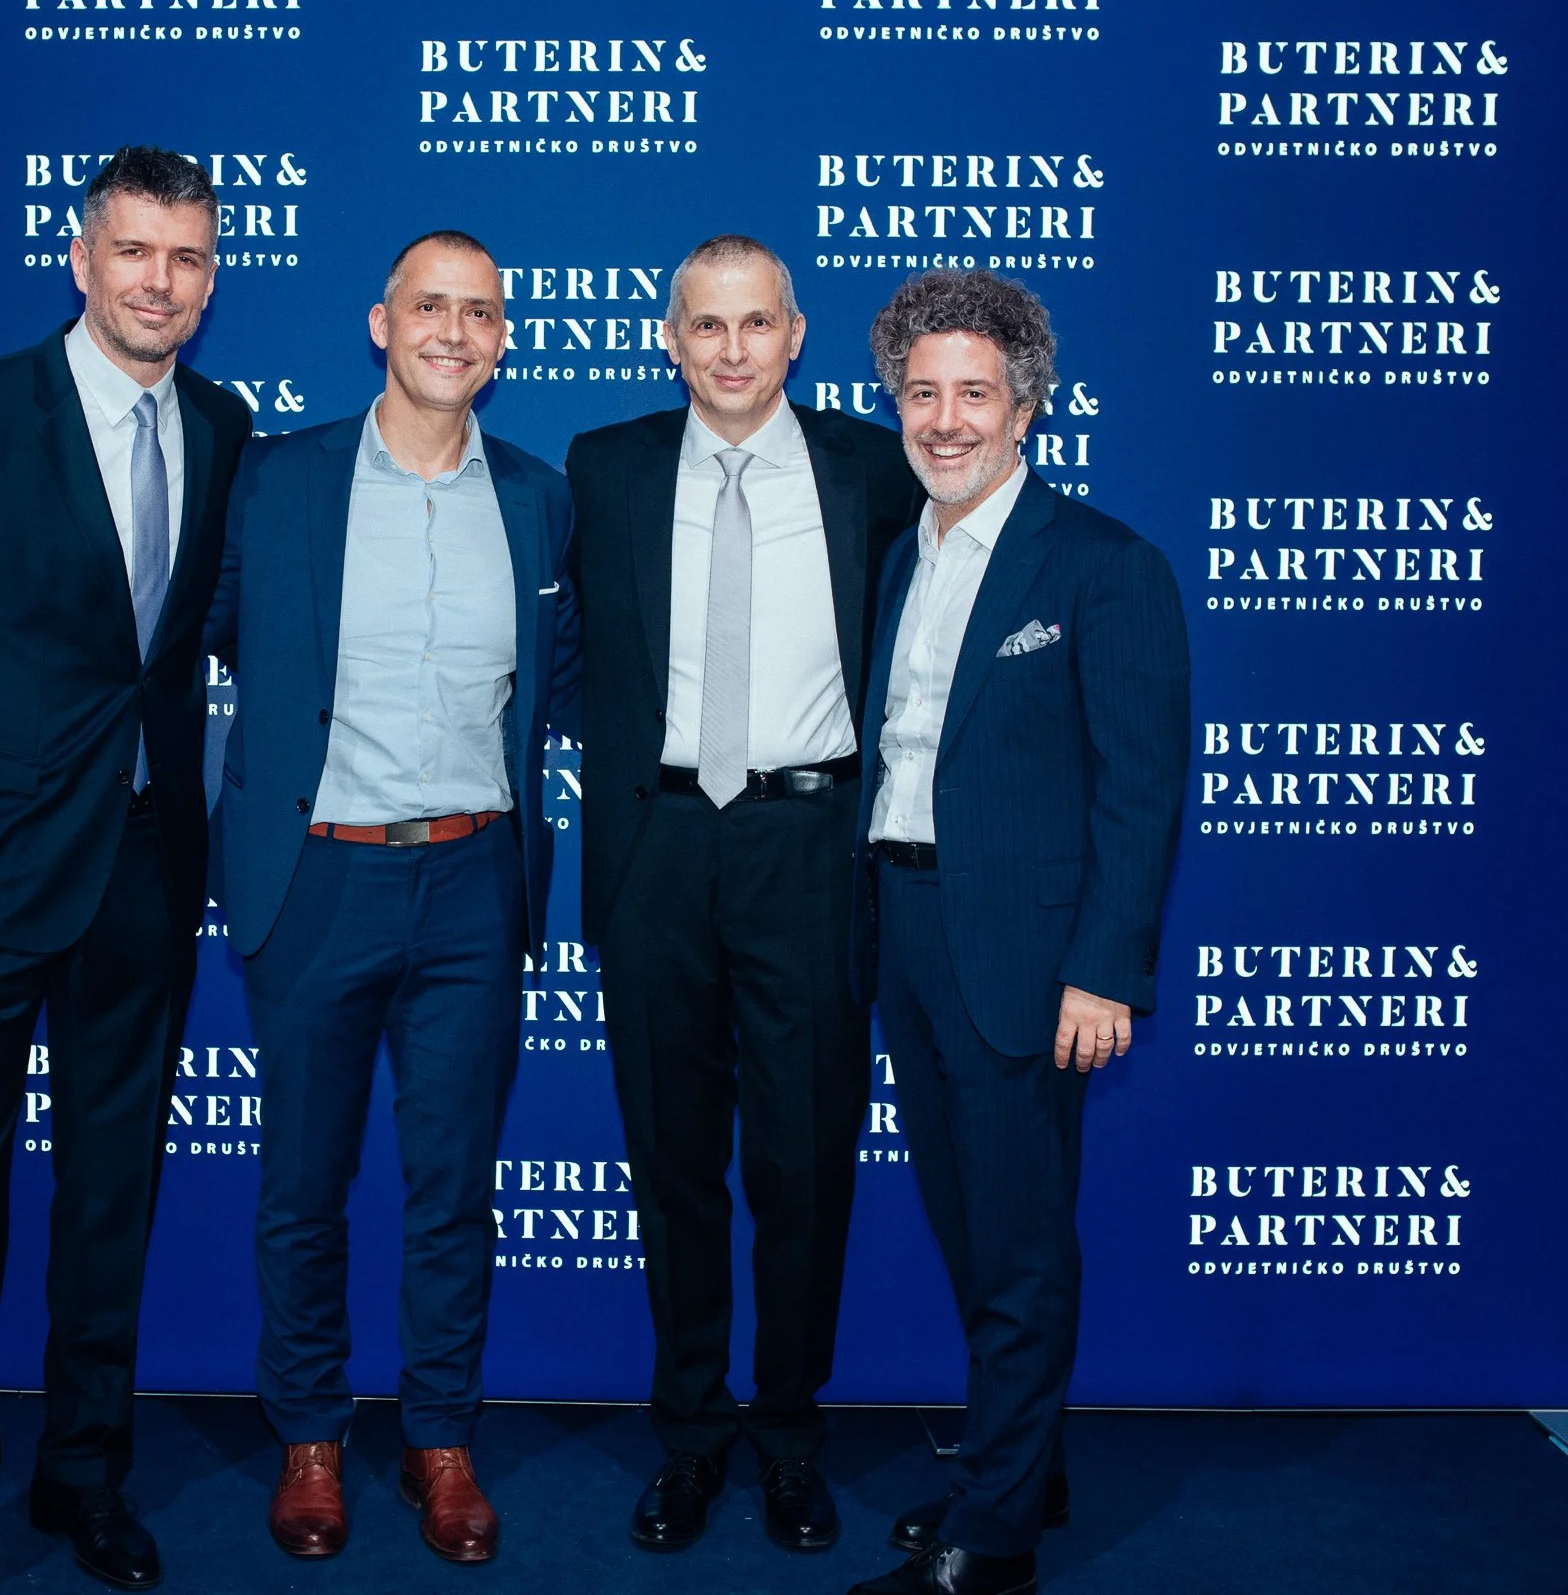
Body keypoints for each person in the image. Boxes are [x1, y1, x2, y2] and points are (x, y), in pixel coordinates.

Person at [0, 146, 251, 1595]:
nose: (161, 281)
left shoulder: (222, 423)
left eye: (188, 257)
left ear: (210, 280)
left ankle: (85, 1477)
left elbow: (194, 645)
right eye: (135, 251)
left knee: (110, 1197)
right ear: (81, 260)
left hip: (146, 873)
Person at [202, 230, 581, 1566]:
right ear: (382, 322)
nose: (453, 331)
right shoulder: (275, 481)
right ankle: (309, 1436)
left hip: (476, 880)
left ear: (503, 340)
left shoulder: (538, 499)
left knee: (454, 1185)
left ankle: (440, 1439)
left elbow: (573, 679)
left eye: (480, 312)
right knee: (304, 1183)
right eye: (431, 305)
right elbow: (194, 632)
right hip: (317, 875)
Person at [564, 235, 922, 1553]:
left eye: (755, 323)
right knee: (672, 1162)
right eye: (706, 325)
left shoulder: (873, 468)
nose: (730, 349)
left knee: (805, 1159)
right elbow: (561, 650)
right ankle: (691, 1436)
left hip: (809, 845)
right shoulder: (602, 468)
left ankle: (788, 1436)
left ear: (796, 333)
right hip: (655, 845)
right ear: (670, 338)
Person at [844, 270, 1188, 1595]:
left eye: (974, 394)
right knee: (973, 1230)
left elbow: (1140, 788)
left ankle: (992, 1546)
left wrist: (1103, 970)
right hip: (908, 929)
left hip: (1030, 960)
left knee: (1021, 1246)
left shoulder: (1103, 564)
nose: (945, 420)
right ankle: (1020, 1470)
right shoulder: (905, 555)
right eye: (921, 394)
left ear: (1026, 408)